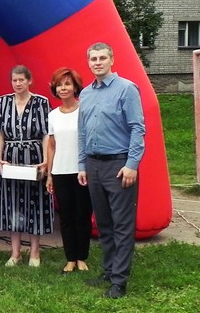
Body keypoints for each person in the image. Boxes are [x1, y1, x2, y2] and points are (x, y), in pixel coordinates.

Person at [78, 43, 146, 299]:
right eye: (93, 58)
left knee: (122, 224)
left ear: (112, 60)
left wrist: (132, 165)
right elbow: (83, 133)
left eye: (102, 58)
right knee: (103, 223)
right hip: (93, 165)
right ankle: (108, 271)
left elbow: (137, 128)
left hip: (119, 166)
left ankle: (119, 281)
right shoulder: (85, 94)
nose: (97, 62)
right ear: (88, 62)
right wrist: (82, 165)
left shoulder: (126, 89)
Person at [0, 65, 54, 267]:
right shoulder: (3, 101)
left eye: (21, 80)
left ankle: (35, 253)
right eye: (14, 80)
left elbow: (47, 133)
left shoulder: (41, 102)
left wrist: (47, 160)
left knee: (34, 203)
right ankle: (15, 253)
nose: (18, 83)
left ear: (29, 80)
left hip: (34, 156)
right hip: (10, 157)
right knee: (13, 203)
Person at [45, 67, 93, 274]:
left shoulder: (85, 110)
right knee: (66, 216)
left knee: (83, 215)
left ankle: (82, 257)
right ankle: (70, 258)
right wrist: (49, 174)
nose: (63, 88)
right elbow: (51, 145)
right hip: (60, 171)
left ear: (75, 87)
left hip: (82, 171)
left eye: (67, 84)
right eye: (59, 84)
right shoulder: (53, 115)